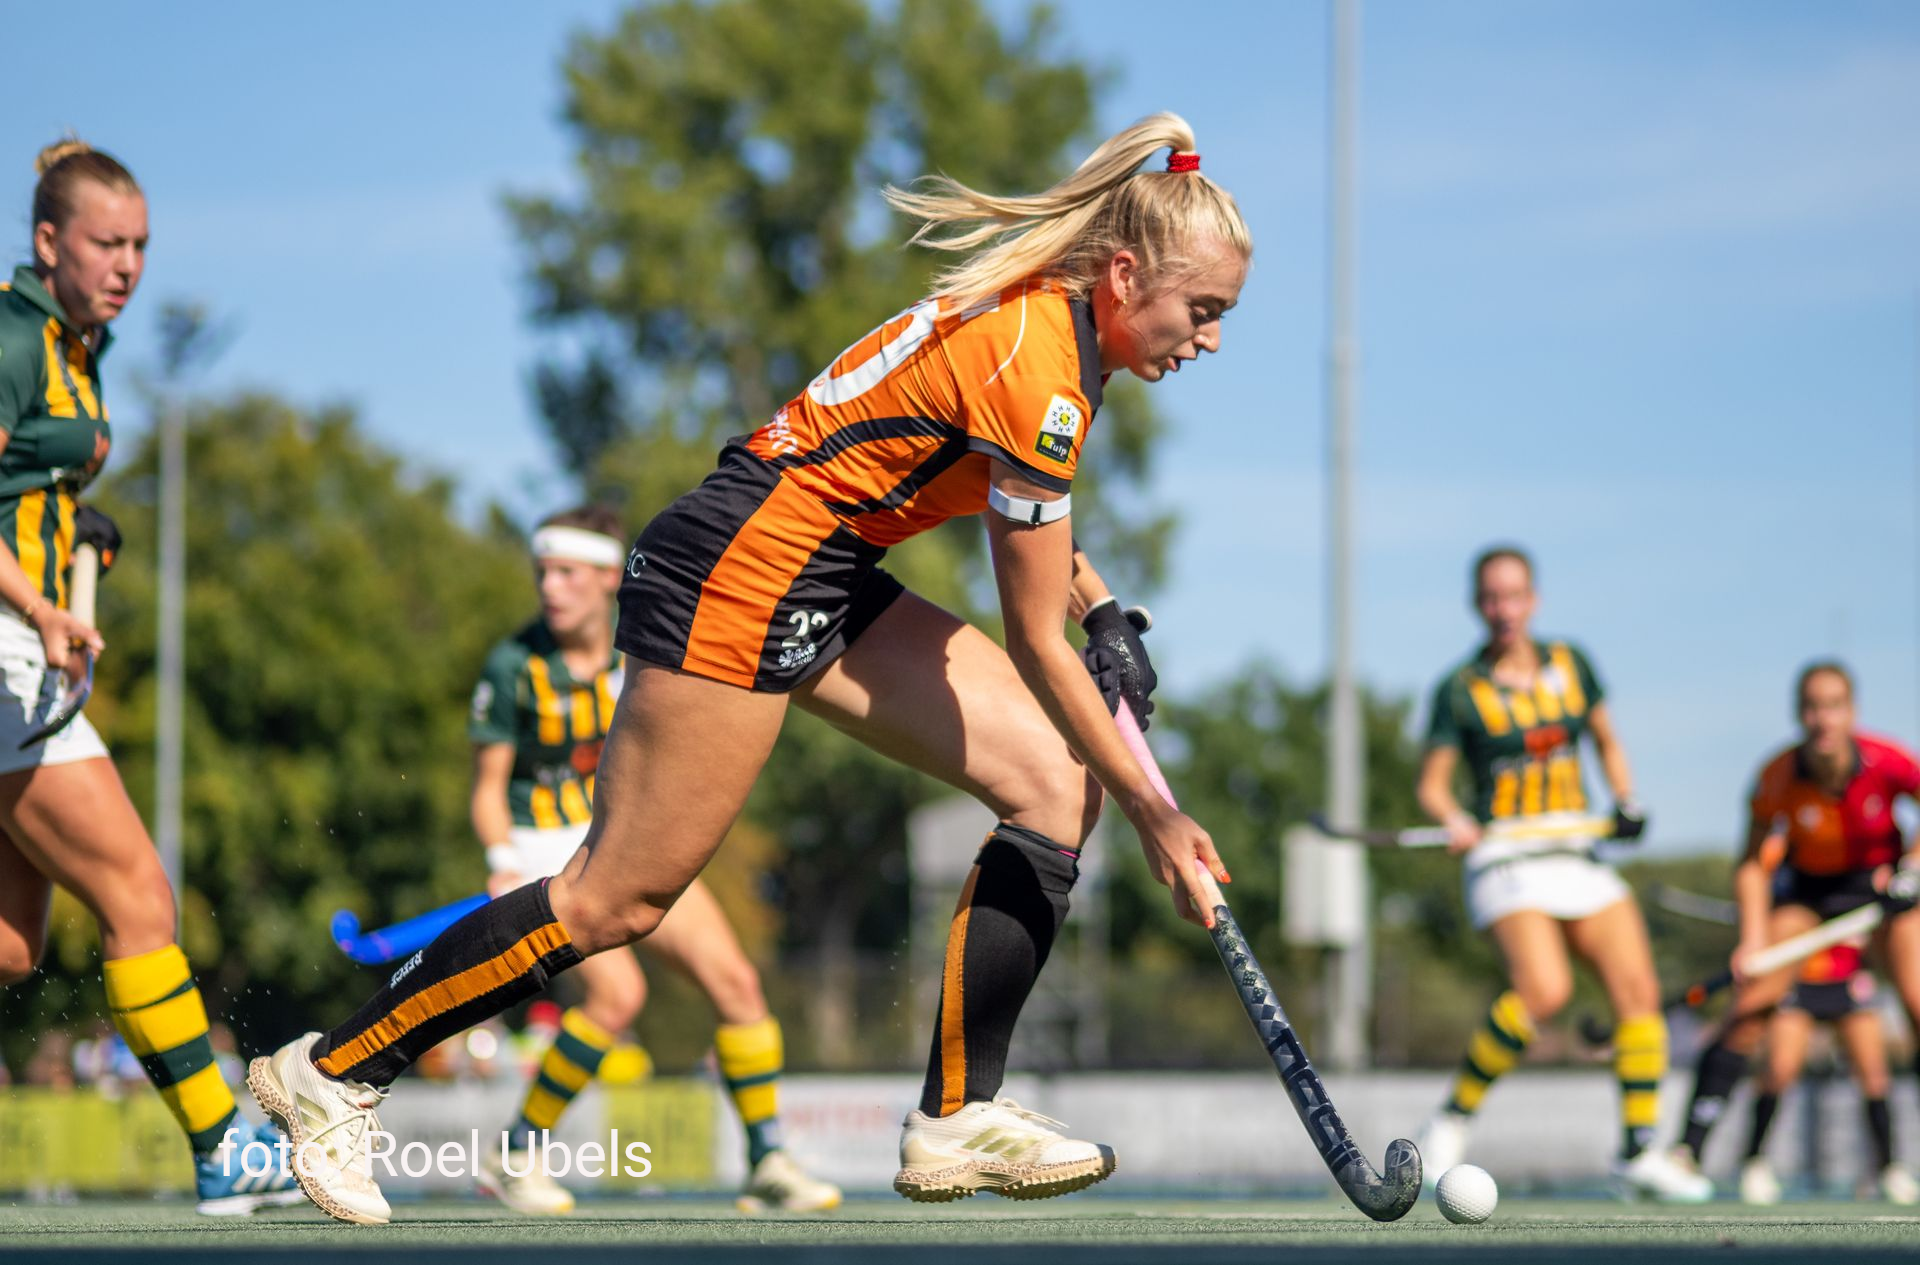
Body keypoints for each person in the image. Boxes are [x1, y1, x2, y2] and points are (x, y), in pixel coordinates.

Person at [248, 112, 1247, 1226]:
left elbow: (1027, 513)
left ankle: (957, 1114)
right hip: (744, 562)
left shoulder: (1049, 332)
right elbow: (1032, 638)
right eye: (1202, 311)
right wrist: (1164, 816)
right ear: (1124, 272)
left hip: (822, 567)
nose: (1207, 339)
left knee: (1055, 787)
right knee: (615, 896)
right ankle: (331, 1072)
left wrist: (1102, 602)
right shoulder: (1046, 366)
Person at [0, 139, 298, 1213]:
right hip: (3, 650)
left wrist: (78, 535)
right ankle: (222, 1148)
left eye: (141, 246)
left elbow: (27, 485)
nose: (128, 264)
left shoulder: (84, 344)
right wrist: (38, 602)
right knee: (140, 897)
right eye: (105, 242)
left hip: (26, 648)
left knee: (11, 945)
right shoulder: (10, 334)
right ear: (48, 241)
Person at [468, 506, 839, 1215]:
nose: (551, 587)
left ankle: (767, 1160)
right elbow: (488, 790)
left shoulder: (641, 645)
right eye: (543, 571)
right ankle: (516, 1155)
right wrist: (501, 859)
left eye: (568, 572)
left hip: (626, 834)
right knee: (619, 997)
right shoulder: (514, 663)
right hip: (544, 849)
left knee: (736, 984)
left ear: (610, 576)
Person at [1411, 546, 1709, 1201]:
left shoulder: (1573, 665)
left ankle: (1637, 1151)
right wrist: (1457, 818)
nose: (1503, 609)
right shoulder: (1460, 690)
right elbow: (1432, 786)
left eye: (1514, 595)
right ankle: (1449, 1122)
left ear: (1533, 599)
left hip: (1575, 848)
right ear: (1477, 604)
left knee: (1637, 989)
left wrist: (1625, 799)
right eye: (1491, 597)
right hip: (1507, 857)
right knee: (1544, 991)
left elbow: (1606, 738)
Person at [1673, 661, 1920, 1195]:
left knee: (1918, 998)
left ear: (1850, 712)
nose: (1822, 719)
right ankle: (1686, 1153)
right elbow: (1750, 862)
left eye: (1833, 706)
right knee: (1753, 1002)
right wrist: (1754, 937)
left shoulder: (1889, 761)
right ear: (1798, 714)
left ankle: (1894, 1164)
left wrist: (1913, 869)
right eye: (1812, 707)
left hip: (1883, 890)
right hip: (1808, 892)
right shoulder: (1777, 776)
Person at [1733, 941, 1917, 1205]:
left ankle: (1888, 1168)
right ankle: (1753, 1162)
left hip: (1848, 980)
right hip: (1800, 981)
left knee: (1875, 1077)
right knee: (1779, 1071)